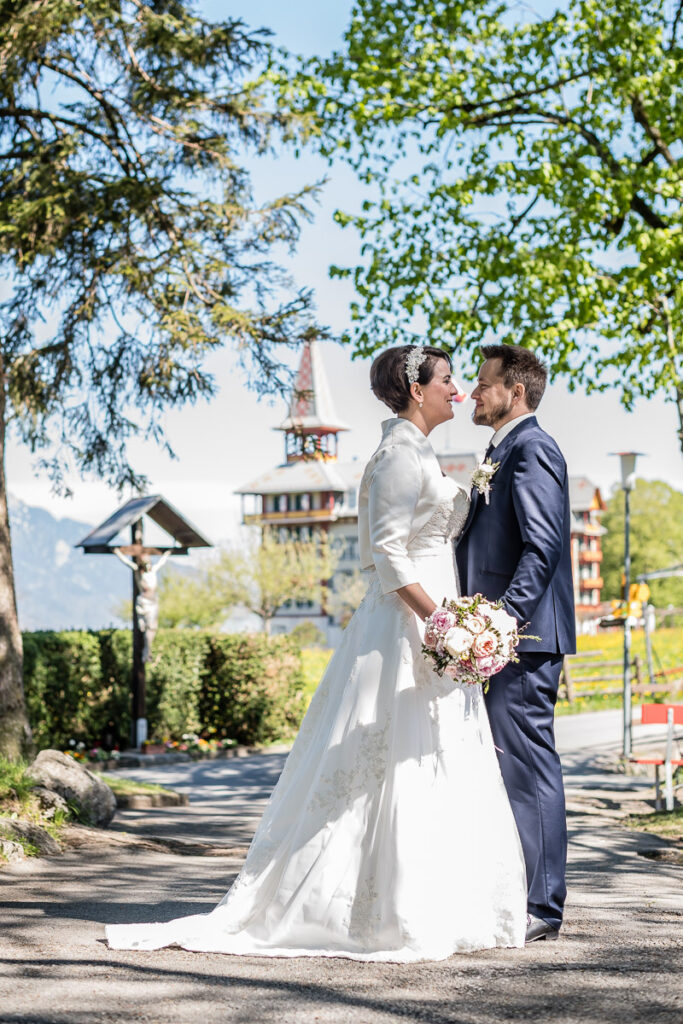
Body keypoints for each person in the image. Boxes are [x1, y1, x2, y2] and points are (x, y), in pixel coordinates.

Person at [105, 345, 527, 960]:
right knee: (389, 757)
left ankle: (437, 897)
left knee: (430, 755)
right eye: (447, 380)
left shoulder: (420, 452)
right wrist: (444, 623)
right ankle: (372, 908)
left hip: (437, 627)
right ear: (416, 390)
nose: (457, 390)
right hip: (410, 627)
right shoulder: (395, 457)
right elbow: (387, 555)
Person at [456, 344, 576, 944]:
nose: (474, 394)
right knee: (507, 768)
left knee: (529, 768)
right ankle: (517, 894)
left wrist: (502, 620)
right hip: (500, 638)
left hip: (522, 640)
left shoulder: (533, 450)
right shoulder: (500, 451)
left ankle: (542, 908)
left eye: (484, 384)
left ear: (516, 392)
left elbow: (542, 545)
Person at [113, 548, 172, 661]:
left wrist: (166, 554)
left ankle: (148, 650)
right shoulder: (138, 571)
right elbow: (126, 562)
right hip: (144, 602)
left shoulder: (153, 570)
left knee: (152, 627)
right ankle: (146, 651)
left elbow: (161, 562)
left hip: (153, 602)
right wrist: (118, 553)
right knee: (145, 627)